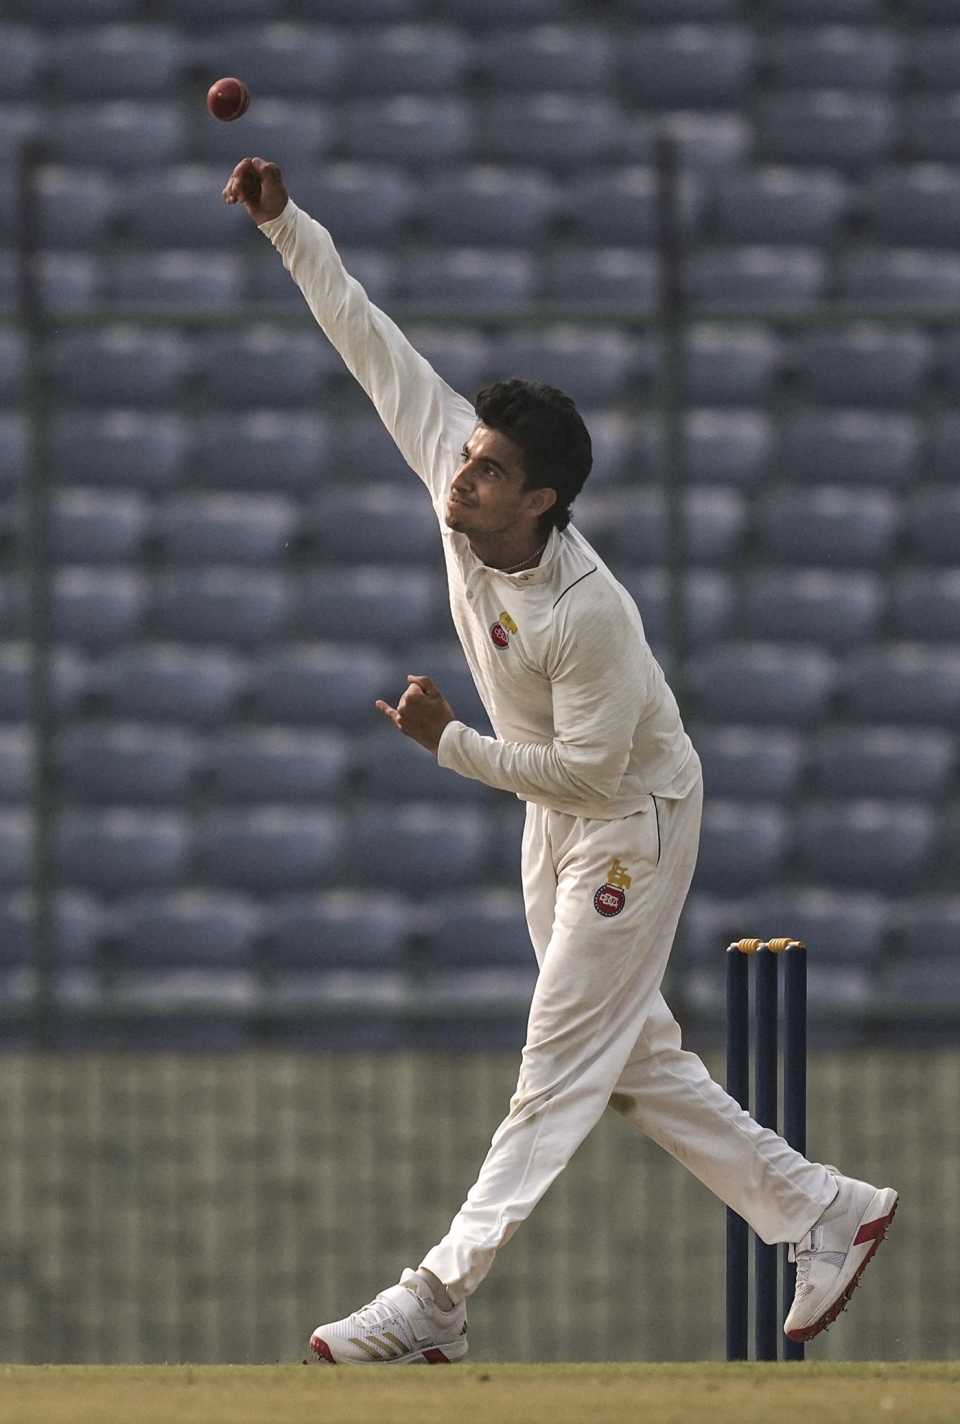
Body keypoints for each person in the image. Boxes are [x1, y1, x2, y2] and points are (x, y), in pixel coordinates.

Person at [223, 156, 898, 1366]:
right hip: (559, 809)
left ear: (538, 501)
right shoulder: (454, 476)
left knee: (559, 1058)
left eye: (486, 472)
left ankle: (436, 1293)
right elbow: (366, 337)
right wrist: (285, 224)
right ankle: (825, 1209)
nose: (460, 476)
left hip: (629, 814)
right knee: (627, 1060)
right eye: (466, 455)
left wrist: (451, 745)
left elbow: (589, 772)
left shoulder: (592, 615)